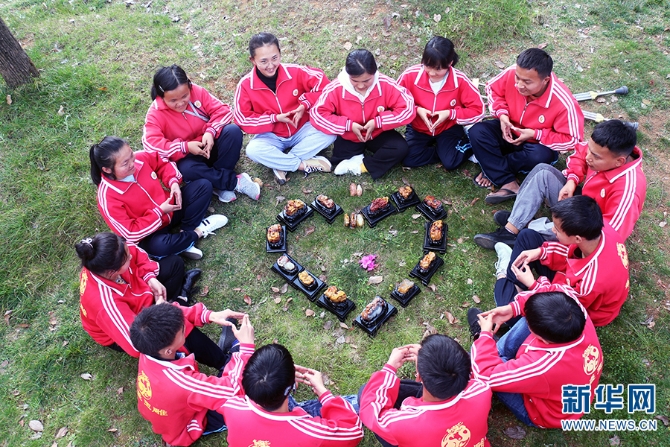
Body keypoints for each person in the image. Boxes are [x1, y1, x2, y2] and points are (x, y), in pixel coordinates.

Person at [474, 120, 646, 248]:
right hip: (581, 201)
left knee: (562, 234)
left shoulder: (628, 190)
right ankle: (513, 229)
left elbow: (606, 236)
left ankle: (526, 228)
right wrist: (572, 180)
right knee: (543, 172)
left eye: (595, 156)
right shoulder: (602, 150)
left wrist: (569, 232)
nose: (588, 157)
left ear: (619, 161)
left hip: (589, 225)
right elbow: (580, 154)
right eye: (590, 150)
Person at [468, 282, 603, 429]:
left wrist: (485, 335)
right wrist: (514, 308)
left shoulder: (544, 364)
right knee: (535, 315)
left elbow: (487, 376)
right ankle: (491, 349)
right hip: (563, 385)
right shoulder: (574, 310)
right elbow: (553, 290)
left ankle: (484, 344)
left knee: (476, 367)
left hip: (543, 411)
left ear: (544, 340)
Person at [492, 195, 629, 327]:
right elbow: (568, 252)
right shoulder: (597, 229)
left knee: (510, 314)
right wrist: (540, 252)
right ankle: (515, 285)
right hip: (569, 277)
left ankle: (504, 275)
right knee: (527, 236)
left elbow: (564, 307)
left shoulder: (592, 282)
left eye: (557, 229)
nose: (552, 230)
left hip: (577, 307)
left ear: (577, 238)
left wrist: (533, 284)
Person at [468, 48, 584, 204]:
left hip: (535, 144)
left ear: (545, 80)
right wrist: (502, 115)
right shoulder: (512, 72)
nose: (519, 85)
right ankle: (508, 182)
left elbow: (573, 140)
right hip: (508, 128)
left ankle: (493, 169)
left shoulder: (564, 103)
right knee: (477, 131)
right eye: (517, 78)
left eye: (527, 82)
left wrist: (535, 134)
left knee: (540, 156)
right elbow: (492, 88)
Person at [130, 304, 254, 447]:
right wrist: (246, 348)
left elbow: (174, 311)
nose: (185, 326)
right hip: (190, 424)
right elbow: (232, 390)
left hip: (169, 410)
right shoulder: (181, 382)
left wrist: (210, 315)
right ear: (168, 351)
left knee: (239, 365)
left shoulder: (148, 346)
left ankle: (232, 354)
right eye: (182, 330)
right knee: (249, 388)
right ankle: (234, 350)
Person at [91, 136, 227, 260]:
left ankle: (186, 234)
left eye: (131, 155)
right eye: (125, 163)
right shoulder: (107, 197)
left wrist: (173, 182)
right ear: (107, 169)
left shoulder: (140, 158)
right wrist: (159, 212)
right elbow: (130, 234)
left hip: (171, 207)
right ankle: (198, 232)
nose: (132, 163)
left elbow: (162, 163)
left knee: (203, 186)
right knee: (159, 246)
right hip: (150, 233)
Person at [142, 65, 260, 203]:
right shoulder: (155, 114)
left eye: (185, 96)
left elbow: (224, 111)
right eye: (173, 100)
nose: (180, 103)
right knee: (186, 169)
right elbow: (151, 146)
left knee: (233, 132)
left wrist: (210, 131)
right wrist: (185, 147)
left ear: (189, 86)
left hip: (211, 144)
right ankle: (232, 182)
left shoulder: (197, 91)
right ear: (161, 97)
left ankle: (217, 181)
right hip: (188, 157)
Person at [75, 233, 204, 357]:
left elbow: (136, 254)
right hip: (122, 326)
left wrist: (150, 277)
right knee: (159, 333)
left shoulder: (113, 250)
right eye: (127, 258)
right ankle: (179, 302)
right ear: (112, 272)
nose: (130, 256)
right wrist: (157, 313)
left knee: (175, 264)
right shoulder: (105, 304)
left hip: (135, 294)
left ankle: (172, 305)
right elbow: (135, 345)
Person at [234, 32, 335, 185]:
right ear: (253, 60)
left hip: (302, 128)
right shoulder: (245, 85)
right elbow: (242, 119)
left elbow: (326, 88)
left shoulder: (296, 71)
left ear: (280, 53)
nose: (270, 65)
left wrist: (305, 104)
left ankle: (282, 164)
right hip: (271, 135)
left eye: (274, 58)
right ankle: (301, 165)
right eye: (263, 61)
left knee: (331, 130)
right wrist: (274, 118)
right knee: (253, 150)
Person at [359, 334, 492, 447]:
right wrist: (430, 357)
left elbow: (372, 412)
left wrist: (389, 368)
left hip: (416, 433)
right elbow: (479, 369)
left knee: (363, 392)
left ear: (419, 377)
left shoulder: (404, 425)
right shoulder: (482, 390)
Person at [221, 343, 364, 447]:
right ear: (292, 385)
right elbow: (354, 431)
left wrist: (279, 376)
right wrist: (323, 392)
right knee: (359, 402)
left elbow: (232, 380)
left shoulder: (230, 404)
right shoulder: (310, 433)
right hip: (298, 432)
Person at [311, 49, 416, 179]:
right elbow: (317, 114)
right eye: (354, 81)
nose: (361, 86)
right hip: (349, 135)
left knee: (400, 148)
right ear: (347, 74)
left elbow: (408, 108)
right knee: (338, 162)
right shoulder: (335, 88)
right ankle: (355, 157)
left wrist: (378, 122)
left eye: (366, 81)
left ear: (374, 73)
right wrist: (348, 125)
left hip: (377, 133)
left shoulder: (385, 84)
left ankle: (362, 167)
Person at [397, 36, 484, 169]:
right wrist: (417, 110)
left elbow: (478, 110)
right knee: (408, 158)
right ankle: (445, 152)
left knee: (450, 163)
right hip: (418, 127)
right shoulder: (409, 76)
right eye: (427, 66)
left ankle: (458, 148)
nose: (432, 73)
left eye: (438, 69)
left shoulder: (460, 81)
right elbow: (395, 102)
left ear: (450, 63)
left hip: (447, 127)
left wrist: (450, 114)